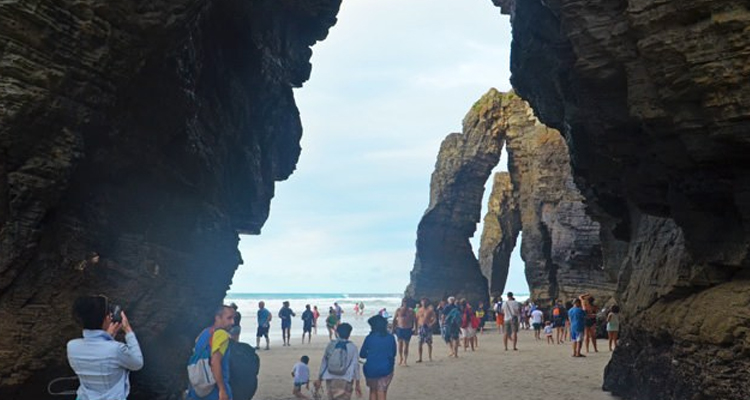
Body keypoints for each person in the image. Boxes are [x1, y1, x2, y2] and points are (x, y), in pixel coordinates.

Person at [67, 295, 143, 400]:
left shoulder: (72, 346)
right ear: (107, 318)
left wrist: (107, 337)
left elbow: (98, 354)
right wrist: (128, 330)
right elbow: (137, 363)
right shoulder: (116, 349)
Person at [187, 305, 236, 400]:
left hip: (196, 388)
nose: (232, 322)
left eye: (233, 318)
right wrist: (222, 390)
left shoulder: (203, 333)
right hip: (214, 390)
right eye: (229, 318)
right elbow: (215, 362)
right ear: (218, 317)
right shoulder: (222, 334)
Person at [315, 323, 362, 400]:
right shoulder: (352, 347)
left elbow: (324, 362)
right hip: (346, 378)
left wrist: (319, 378)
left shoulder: (331, 344)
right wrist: (357, 383)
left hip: (330, 376)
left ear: (337, 333)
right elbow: (355, 365)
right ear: (349, 333)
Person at [360, 315, 396, 400]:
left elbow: (362, 354)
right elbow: (393, 354)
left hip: (370, 369)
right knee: (382, 391)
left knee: (373, 390)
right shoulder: (390, 338)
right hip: (386, 369)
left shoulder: (369, 338)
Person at [393, 298, 416, 366]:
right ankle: (401, 358)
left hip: (408, 329)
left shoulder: (411, 311)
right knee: (400, 345)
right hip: (400, 328)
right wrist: (393, 329)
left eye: (406, 302)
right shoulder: (398, 310)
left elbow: (415, 320)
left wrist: (416, 329)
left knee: (406, 345)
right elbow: (394, 319)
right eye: (404, 302)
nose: (405, 303)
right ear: (402, 302)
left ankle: (405, 360)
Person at [415, 298, 436, 362]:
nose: (424, 303)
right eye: (423, 301)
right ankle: (420, 358)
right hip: (421, 327)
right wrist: (415, 328)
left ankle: (430, 357)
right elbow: (416, 319)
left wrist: (431, 324)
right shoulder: (419, 310)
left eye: (425, 301)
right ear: (421, 302)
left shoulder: (430, 310)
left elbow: (435, 319)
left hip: (427, 327)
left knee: (429, 343)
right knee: (420, 343)